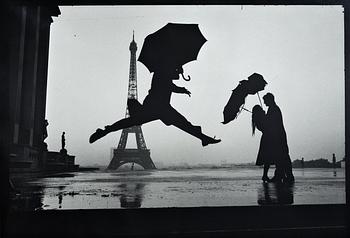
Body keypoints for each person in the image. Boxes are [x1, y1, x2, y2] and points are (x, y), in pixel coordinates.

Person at [89, 65, 221, 146]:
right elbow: (169, 85)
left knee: (130, 122)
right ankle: (203, 138)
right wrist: (181, 87)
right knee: (183, 123)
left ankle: (106, 130)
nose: (177, 73)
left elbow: (171, 83)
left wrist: (179, 79)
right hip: (158, 107)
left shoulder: (163, 72)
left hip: (156, 107)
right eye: (175, 70)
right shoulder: (162, 73)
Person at [262, 93, 294, 183]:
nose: (264, 103)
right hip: (279, 135)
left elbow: (270, 123)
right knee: (281, 156)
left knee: (281, 156)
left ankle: (283, 176)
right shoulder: (274, 108)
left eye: (265, 101)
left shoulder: (273, 109)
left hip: (277, 136)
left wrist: (264, 117)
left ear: (269, 100)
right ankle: (283, 175)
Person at [252, 105, 272, 182]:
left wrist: (264, 115)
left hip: (266, 138)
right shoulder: (259, 120)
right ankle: (265, 175)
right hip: (268, 138)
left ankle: (265, 175)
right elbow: (268, 124)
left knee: (267, 158)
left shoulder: (257, 120)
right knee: (268, 158)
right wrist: (265, 115)